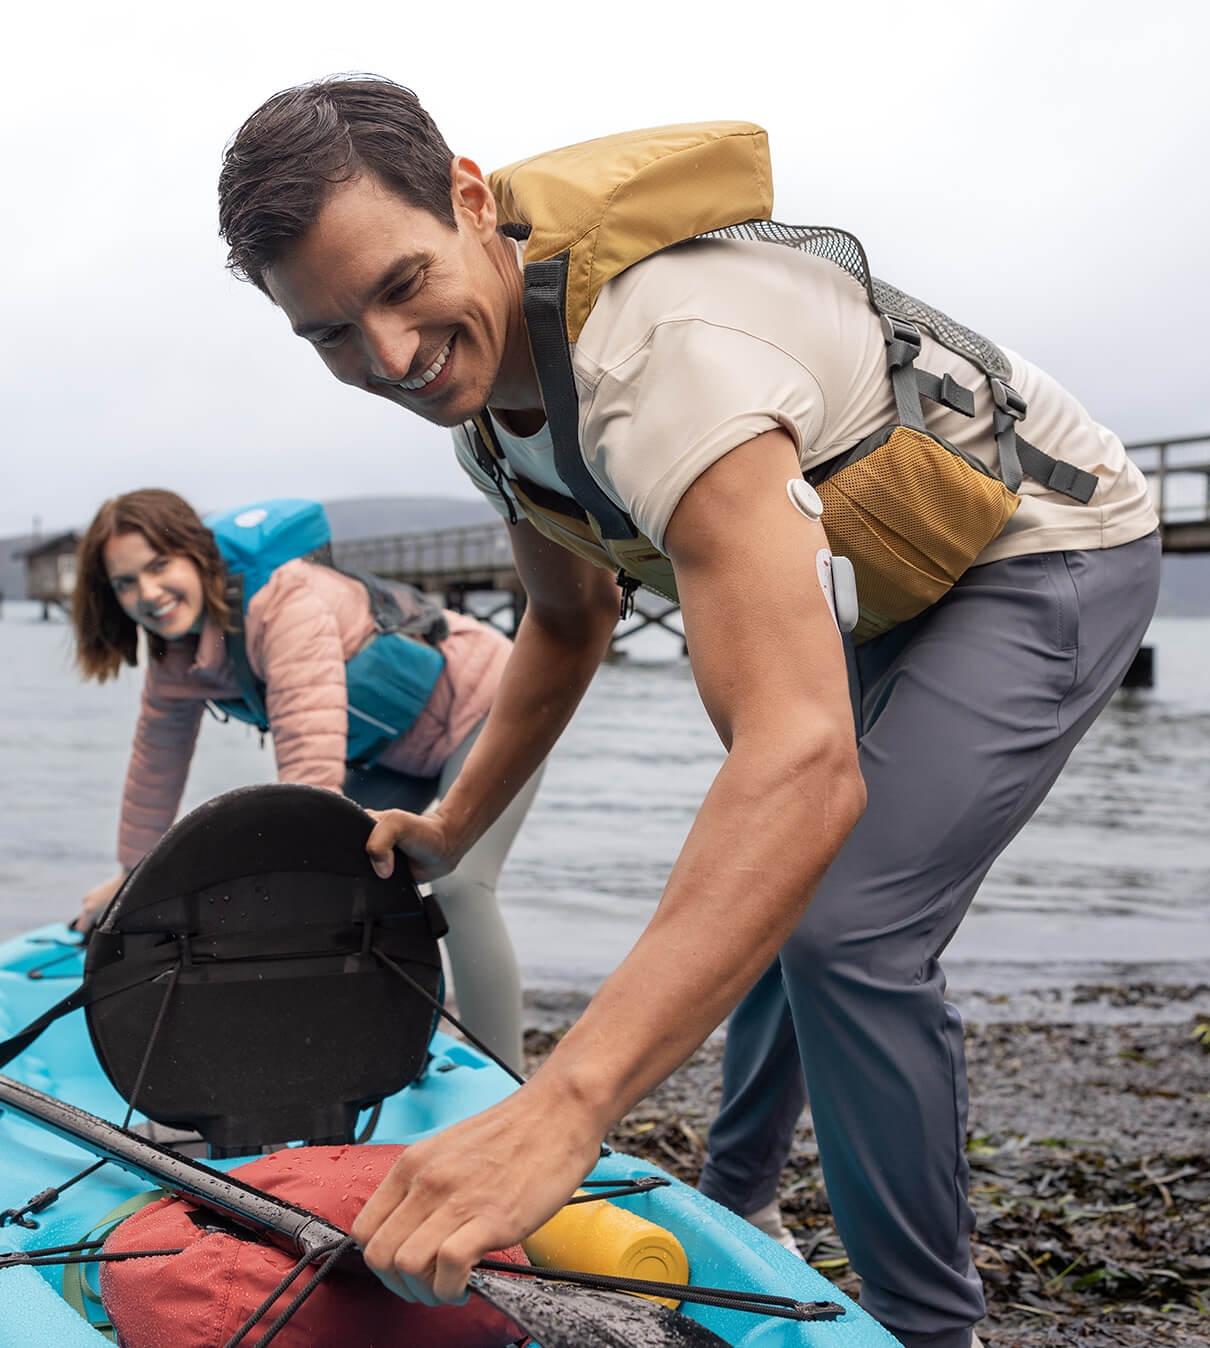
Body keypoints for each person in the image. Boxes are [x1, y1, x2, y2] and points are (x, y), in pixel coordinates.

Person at [216, 76, 1160, 1348]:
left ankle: (934, 1330)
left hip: (1044, 546)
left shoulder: (664, 365)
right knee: (767, 880)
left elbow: (803, 764)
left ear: (469, 198)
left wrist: (567, 1104)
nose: (387, 358)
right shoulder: (491, 412)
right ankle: (738, 1205)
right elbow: (569, 617)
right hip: (883, 590)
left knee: (846, 922)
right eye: (330, 334)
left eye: (397, 286)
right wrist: (449, 822)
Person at [71, 488, 542, 1071]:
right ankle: (411, 1049)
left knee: (460, 883)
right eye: (124, 584)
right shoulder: (177, 658)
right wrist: (126, 879)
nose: (147, 593)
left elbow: (310, 776)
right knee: (356, 878)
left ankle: (505, 1078)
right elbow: (155, 764)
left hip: (490, 710)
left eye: (159, 565)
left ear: (194, 553)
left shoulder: (283, 606)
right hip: (394, 752)